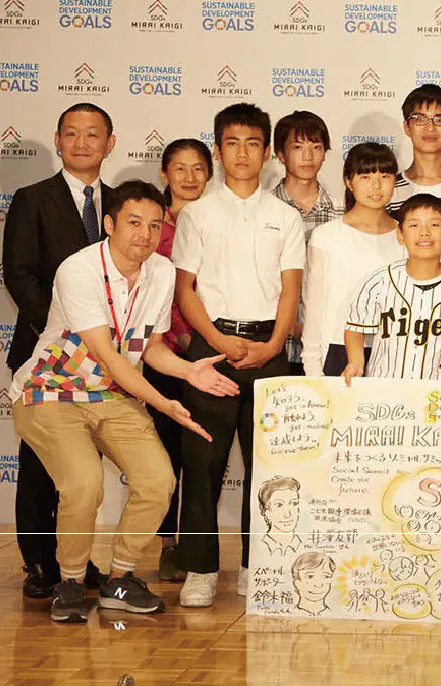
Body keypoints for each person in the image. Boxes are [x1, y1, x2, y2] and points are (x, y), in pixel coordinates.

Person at [11, 180, 240, 622]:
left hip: (111, 393)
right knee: (83, 483)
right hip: (50, 390)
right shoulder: (78, 269)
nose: (145, 234)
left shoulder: (162, 272)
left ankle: (119, 578)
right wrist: (165, 404)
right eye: (134, 223)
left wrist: (188, 370)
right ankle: (70, 581)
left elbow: (150, 347)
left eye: (154, 225)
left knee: (157, 480)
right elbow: (109, 356)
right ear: (110, 224)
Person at [172, 103, 306, 608]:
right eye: (232, 143)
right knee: (202, 462)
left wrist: (273, 345)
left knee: (267, 466)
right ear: (218, 150)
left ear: (268, 152)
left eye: (253, 144)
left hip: (270, 349)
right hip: (212, 348)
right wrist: (218, 341)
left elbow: (291, 289)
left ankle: (257, 564)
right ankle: (201, 568)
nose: (243, 153)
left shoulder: (285, 216)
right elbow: (185, 290)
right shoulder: (198, 214)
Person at [3, 102, 115, 598]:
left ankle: (76, 561)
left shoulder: (121, 203)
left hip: (106, 358)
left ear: (110, 143)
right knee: (40, 466)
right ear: (57, 140)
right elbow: (19, 274)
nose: (82, 142)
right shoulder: (32, 199)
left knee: (83, 473)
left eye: (92, 134)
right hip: (47, 355)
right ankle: (39, 564)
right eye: (72, 133)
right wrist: (63, 335)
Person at [149, 138, 213, 583]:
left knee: (204, 456)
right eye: (179, 169)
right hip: (166, 356)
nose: (189, 178)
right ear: (164, 174)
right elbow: (156, 292)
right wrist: (182, 337)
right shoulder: (152, 227)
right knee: (168, 451)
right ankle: (168, 544)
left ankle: (197, 544)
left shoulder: (216, 219)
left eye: (198, 169)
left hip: (212, 349)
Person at [342, 194, 441, 384]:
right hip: (384, 386)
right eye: (414, 225)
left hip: (436, 389)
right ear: (400, 234)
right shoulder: (381, 281)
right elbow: (355, 325)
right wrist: (356, 360)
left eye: (434, 225)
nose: (424, 233)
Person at [301, 142, 404, 377]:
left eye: (385, 176)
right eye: (365, 177)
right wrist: (312, 366)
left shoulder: (406, 237)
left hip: (393, 351)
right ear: (349, 182)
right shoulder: (326, 236)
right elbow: (314, 306)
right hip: (337, 348)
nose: (376, 186)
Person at [271, 111, 343, 376]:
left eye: (316, 147)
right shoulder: (264, 210)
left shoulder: (343, 212)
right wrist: (288, 326)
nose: (308, 156)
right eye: (298, 147)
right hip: (273, 346)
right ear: (280, 154)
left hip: (326, 349)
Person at [387, 84, 441, 224]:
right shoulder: (388, 191)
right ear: (407, 127)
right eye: (420, 119)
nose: (430, 128)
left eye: (439, 120)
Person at [257, 476, 302, 556]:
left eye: (293, 503)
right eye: (279, 505)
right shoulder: (260, 547)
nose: (288, 514)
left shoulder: (302, 546)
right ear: (266, 511)